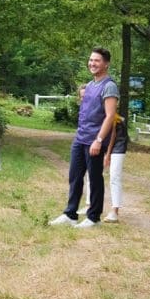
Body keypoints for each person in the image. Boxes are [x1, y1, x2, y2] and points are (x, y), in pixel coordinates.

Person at [48, 47, 119, 229]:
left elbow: (110, 116)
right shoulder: (89, 85)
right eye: (91, 60)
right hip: (80, 139)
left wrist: (99, 140)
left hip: (95, 140)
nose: (92, 63)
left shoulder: (109, 86)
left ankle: (93, 217)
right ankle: (70, 214)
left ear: (106, 64)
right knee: (75, 176)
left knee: (95, 178)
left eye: (97, 60)